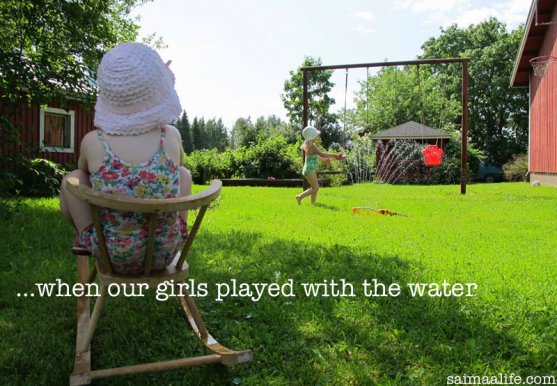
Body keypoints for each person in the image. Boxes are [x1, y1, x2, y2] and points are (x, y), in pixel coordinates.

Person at [59, 42, 192, 274]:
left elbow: (83, 173)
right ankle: (178, 229)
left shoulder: (93, 142)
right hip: (164, 253)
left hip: (112, 256)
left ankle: (87, 236)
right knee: (183, 173)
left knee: (73, 179)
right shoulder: (170, 137)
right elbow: (180, 166)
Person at [296, 126, 344, 205]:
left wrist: (326, 160)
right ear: (312, 136)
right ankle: (300, 197)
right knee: (316, 188)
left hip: (307, 169)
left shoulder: (308, 145)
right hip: (310, 169)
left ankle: (313, 203)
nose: (317, 137)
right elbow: (322, 154)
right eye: (316, 136)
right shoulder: (312, 146)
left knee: (314, 188)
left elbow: (316, 157)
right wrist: (335, 155)